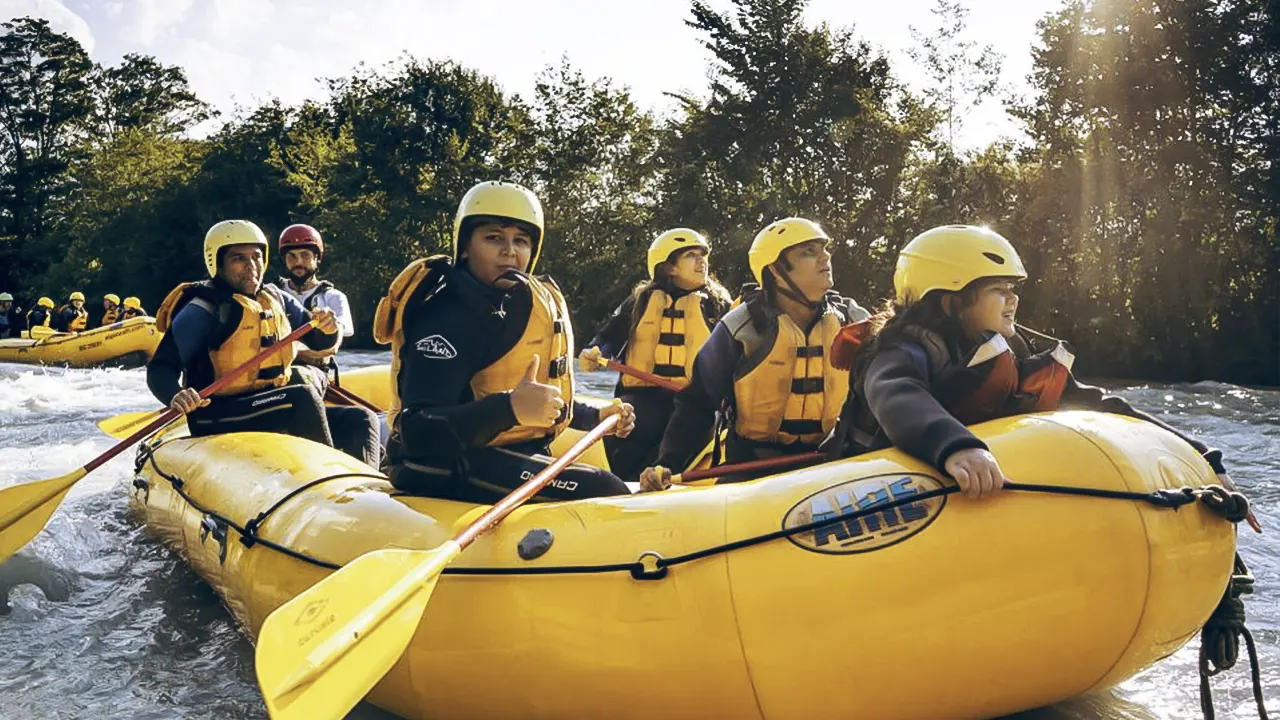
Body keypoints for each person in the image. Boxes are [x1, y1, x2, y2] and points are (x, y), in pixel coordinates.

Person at [823, 224, 1235, 501]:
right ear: (949, 300)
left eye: (1013, 289)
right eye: (998, 290)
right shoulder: (901, 349)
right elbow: (897, 395)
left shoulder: (1006, 347)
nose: (1014, 300)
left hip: (963, 483)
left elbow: (1098, 404)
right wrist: (956, 448)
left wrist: (1201, 456)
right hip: (871, 486)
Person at [375, 180, 636, 503]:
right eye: (494, 238)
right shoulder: (445, 318)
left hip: (502, 456)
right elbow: (418, 432)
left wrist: (593, 417)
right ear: (466, 246)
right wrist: (508, 409)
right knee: (603, 489)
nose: (509, 251)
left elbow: (534, 397)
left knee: (607, 484)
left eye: (521, 240)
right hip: (441, 464)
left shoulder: (519, 308)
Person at [639, 218, 869, 491]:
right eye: (808, 251)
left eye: (823, 249)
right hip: (752, 466)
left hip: (826, 460)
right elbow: (697, 402)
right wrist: (668, 463)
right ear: (775, 270)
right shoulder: (742, 327)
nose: (825, 256)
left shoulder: (853, 321)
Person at [147, 220, 381, 467]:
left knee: (361, 418)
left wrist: (328, 328)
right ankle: (330, 479)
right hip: (215, 413)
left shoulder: (275, 298)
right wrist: (176, 395)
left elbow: (318, 339)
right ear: (217, 263)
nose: (251, 267)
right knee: (301, 396)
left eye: (257, 257)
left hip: (267, 404)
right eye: (238, 258)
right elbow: (160, 368)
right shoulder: (204, 309)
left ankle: (365, 490)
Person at [577, 229, 731, 481]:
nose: (702, 261)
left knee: (684, 428)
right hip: (644, 394)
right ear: (668, 267)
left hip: (694, 400)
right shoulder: (641, 300)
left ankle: (661, 475)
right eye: (691, 255)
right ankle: (624, 483)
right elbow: (609, 337)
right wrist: (595, 352)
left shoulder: (717, 303)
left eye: (703, 255)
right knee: (633, 425)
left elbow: (734, 349)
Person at [273, 224, 354, 368]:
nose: (298, 262)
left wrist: (286, 352)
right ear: (284, 260)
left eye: (305, 255)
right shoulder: (271, 294)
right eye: (291, 256)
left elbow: (331, 348)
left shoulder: (334, 297)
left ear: (317, 258)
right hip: (275, 371)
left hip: (314, 372)